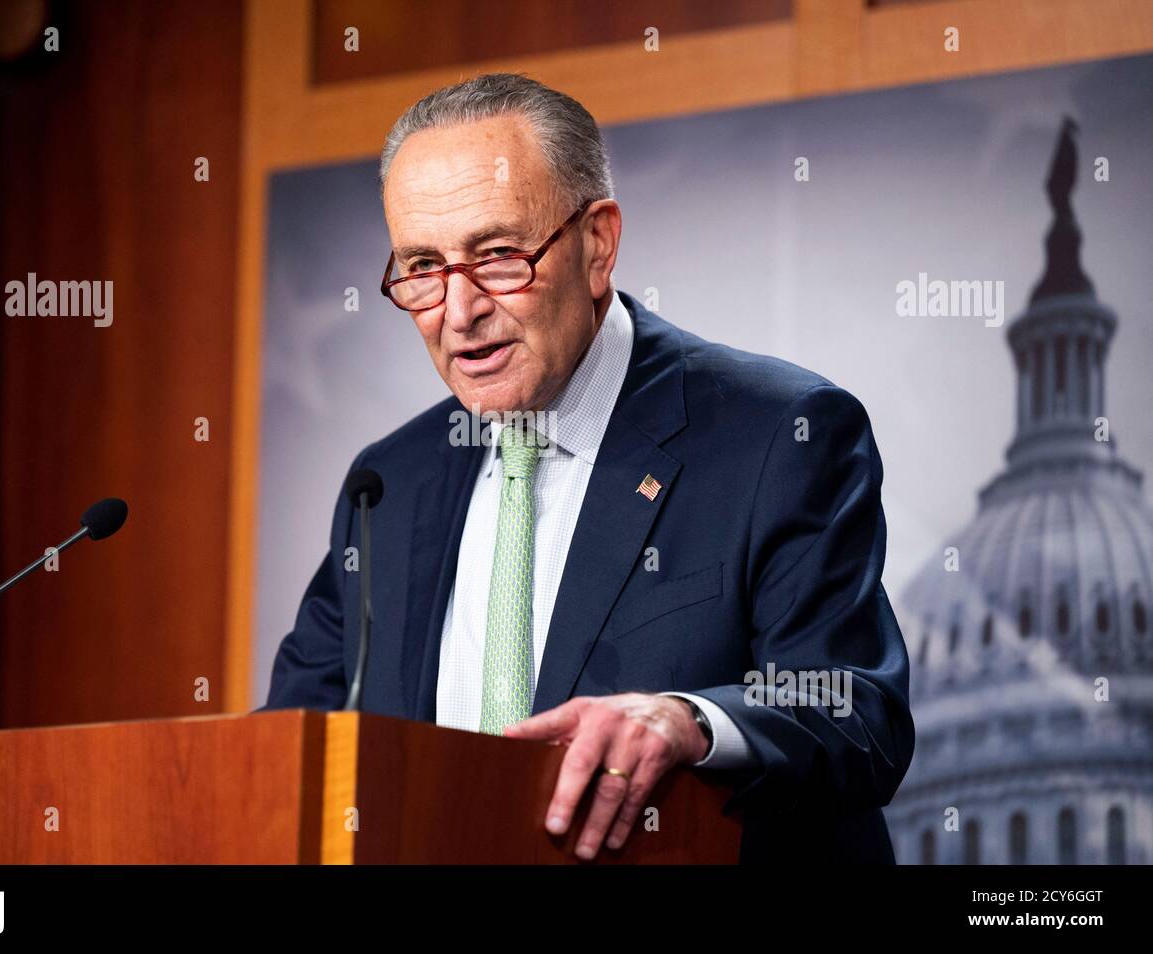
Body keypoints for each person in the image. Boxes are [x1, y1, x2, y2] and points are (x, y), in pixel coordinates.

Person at [265, 72, 914, 863]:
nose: (458, 311)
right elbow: (285, 761)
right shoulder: (387, 485)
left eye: (499, 256)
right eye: (422, 267)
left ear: (598, 244)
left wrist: (689, 721)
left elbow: (858, 714)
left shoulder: (782, 434)